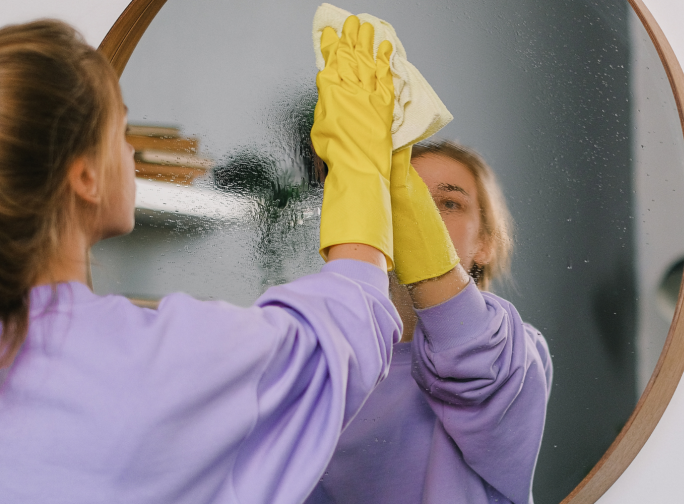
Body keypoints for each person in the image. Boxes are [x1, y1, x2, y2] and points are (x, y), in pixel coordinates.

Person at [0, 18, 401, 504]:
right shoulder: (151, 361)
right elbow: (339, 339)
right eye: (119, 130)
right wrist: (362, 167)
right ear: (85, 176)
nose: (129, 149)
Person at [305, 140, 553, 504]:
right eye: (404, 199)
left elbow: (470, 357)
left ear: (484, 243)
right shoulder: (328, 360)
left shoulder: (514, 351)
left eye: (450, 203)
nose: (423, 217)